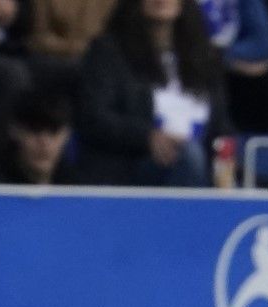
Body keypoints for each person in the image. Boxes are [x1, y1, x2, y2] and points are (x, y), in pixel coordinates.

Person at [76, 0, 228, 187]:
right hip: (135, 164)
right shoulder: (109, 52)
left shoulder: (204, 57)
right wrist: (147, 137)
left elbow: (220, 126)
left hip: (202, 163)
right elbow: (94, 117)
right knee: (189, 155)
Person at [0, 86, 78, 183]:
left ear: (66, 135)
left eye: (53, 131)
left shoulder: (82, 187)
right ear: (15, 131)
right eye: (35, 130)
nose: (44, 142)